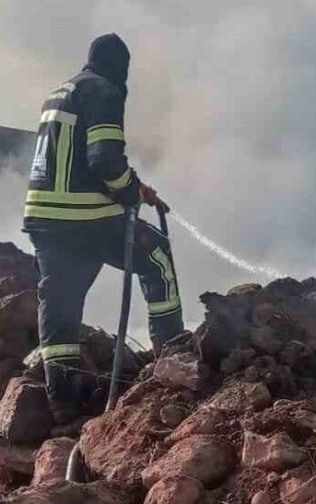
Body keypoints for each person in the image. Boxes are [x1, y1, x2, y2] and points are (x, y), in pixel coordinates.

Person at [23, 33, 183, 421]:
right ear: (119, 66)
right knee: (157, 256)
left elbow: (81, 159)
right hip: (86, 219)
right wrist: (129, 193)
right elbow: (104, 161)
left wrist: (137, 189)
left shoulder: (60, 93)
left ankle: (63, 401)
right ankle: (174, 358)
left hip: (46, 219)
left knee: (60, 305)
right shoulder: (105, 93)